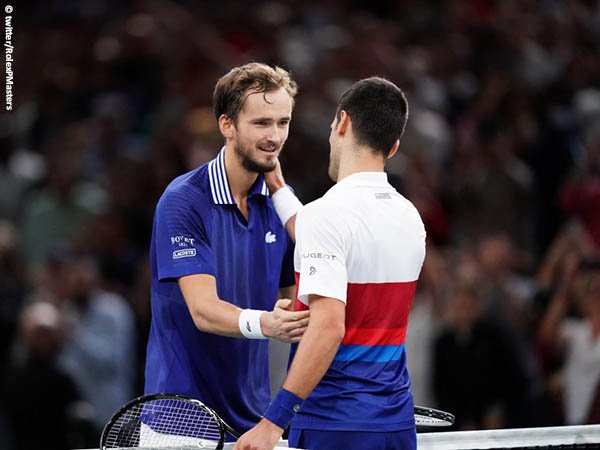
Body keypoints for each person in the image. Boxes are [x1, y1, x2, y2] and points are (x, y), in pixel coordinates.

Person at [235, 77, 426, 450]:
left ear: (342, 123)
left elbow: (328, 328)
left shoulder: (327, 217)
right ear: (393, 146)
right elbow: (324, 233)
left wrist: (273, 422)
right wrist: (278, 189)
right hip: (396, 427)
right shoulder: (410, 218)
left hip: (336, 424)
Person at [144, 62, 309, 434]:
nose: (275, 137)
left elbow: (300, 297)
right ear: (227, 125)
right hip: (181, 423)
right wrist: (268, 322)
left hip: (253, 422)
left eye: (283, 122)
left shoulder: (280, 203)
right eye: (261, 123)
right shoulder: (182, 201)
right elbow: (204, 311)